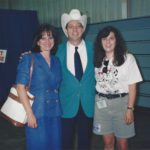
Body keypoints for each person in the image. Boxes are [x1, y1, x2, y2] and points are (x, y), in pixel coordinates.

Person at [93, 26, 143, 150]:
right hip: (101, 104)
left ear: (117, 40)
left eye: (111, 38)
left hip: (122, 105)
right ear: (100, 41)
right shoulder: (98, 60)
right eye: (104, 39)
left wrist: (130, 109)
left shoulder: (128, 59)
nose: (108, 42)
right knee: (107, 143)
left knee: (123, 144)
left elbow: (132, 87)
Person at [16, 24, 62, 150]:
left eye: (50, 37)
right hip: (37, 112)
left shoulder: (56, 60)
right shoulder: (28, 58)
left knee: (55, 146)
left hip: (55, 112)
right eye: (43, 38)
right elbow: (20, 87)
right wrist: (30, 114)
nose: (47, 41)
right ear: (37, 41)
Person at [56, 9, 95, 150]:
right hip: (66, 104)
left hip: (88, 104)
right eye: (70, 26)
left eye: (78, 26)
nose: (75, 29)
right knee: (65, 142)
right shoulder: (57, 51)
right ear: (66, 30)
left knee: (85, 142)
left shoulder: (94, 48)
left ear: (83, 29)